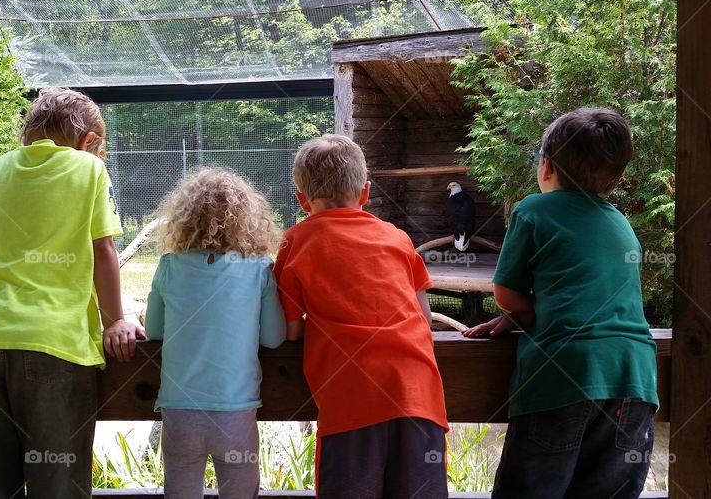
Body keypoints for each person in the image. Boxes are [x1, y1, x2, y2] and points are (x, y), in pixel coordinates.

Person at [0, 88, 142, 499]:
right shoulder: (89, 169)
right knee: (56, 485)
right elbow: (103, 250)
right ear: (89, 142)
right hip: (55, 346)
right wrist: (116, 319)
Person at [464, 108, 658, 499]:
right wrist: (528, 315)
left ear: (546, 166)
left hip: (563, 377)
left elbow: (506, 293)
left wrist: (522, 315)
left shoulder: (534, 209)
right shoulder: (620, 222)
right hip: (633, 381)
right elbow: (591, 293)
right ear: (616, 178)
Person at [273, 134, 449, 499]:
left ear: (302, 200)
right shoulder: (397, 238)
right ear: (365, 192)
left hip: (349, 403)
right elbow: (424, 317)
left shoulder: (295, 241)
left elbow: (289, 331)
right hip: (419, 398)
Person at [144, 168, 286, 499]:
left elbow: (152, 330)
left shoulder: (169, 265)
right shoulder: (258, 269)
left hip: (180, 413)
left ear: (184, 217)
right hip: (235, 413)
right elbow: (273, 338)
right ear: (248, 218)